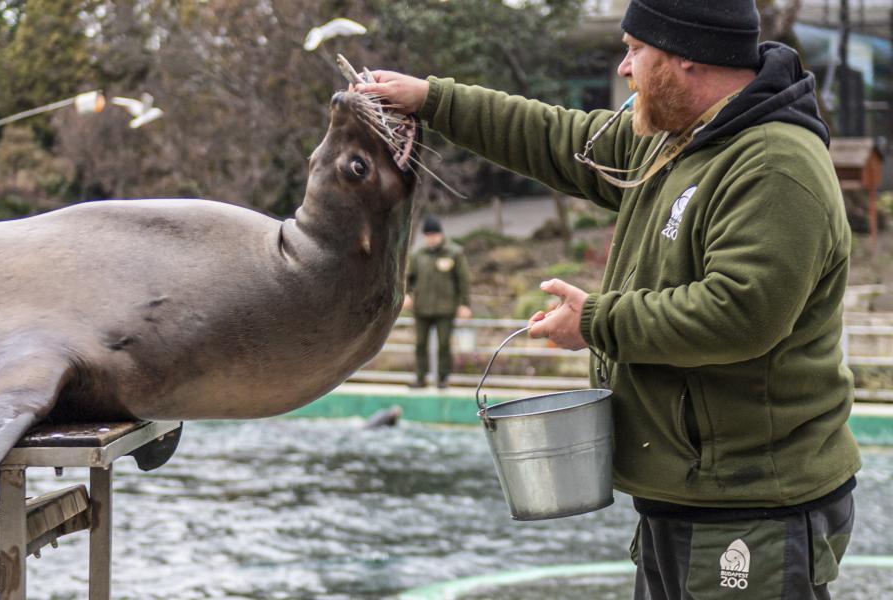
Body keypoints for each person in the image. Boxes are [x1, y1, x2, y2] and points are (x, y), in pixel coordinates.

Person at [357, 1, 860, 597]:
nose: (624, 68)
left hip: (755, 506)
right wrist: (433, 101)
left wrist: (595, 321)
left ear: (687, 58)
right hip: (687, 495)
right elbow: (556, 137)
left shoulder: (774, 163)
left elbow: (740, 314)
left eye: (635, 50)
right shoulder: (673, 138)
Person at [404, 215, 472, 389]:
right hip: (421, 307)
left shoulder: (454, 253)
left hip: (445, 308)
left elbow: (463, 280)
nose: (431, 238)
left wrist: (465, 304)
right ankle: (420, 378)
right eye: (428, 235)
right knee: (420, 344)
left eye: (434, 234)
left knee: (444, 345)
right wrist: (406, 294)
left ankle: (442, 378)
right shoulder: (418, 254)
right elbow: (408, 278)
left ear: (440, 235)